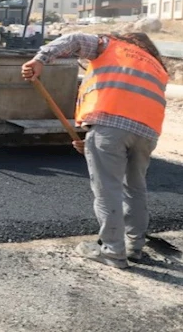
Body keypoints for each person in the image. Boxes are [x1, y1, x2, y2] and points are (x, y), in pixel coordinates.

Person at [21, 32, 168, 268]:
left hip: (110, 126)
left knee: (107, 189)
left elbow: (76, 39)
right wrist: (92, 144)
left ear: (128, 38)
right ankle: (134, 247)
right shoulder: (157, 66)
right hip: (147, 134)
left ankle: (112, 251)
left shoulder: (111, 46)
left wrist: (40, 59)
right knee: (135, 188)